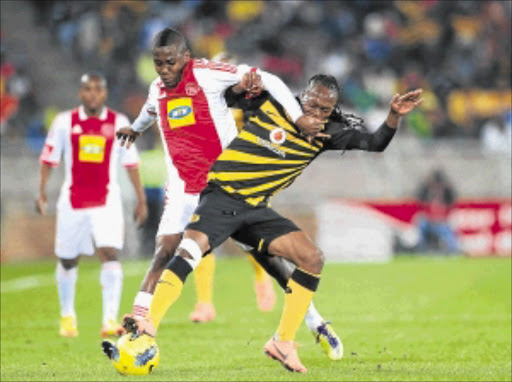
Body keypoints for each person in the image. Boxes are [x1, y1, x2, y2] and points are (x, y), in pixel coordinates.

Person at [124, 75, 423, 372]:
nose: (316, 113)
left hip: (255, 208)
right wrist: (242, 87)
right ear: (302, 95)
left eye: (324, 109)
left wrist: (393, 116)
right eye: (312, 104)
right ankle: (148, 324)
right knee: (189, 251)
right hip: (224, 193)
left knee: (311, 258)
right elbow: (228, 99)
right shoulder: (273, 102)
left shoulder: (327, 132)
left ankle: (283, 342)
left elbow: (376, 142)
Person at [116, 28, 343, 360]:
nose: (163, 69)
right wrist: (133, 131)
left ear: (184, 58)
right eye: (157, 63)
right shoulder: (156, 89)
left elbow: (268, 79)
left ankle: (314, 321)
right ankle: (140, 322)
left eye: (169, 62)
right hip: (182, 186)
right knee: (165, 250)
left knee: (270, 262)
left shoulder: (206, 74)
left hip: (225, 187)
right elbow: (149, 113)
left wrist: (297, 117)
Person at [36, 73, 148, 338]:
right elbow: (49, 158)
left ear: (105, 93)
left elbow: (131, 163)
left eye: (98, 89)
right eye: (88, 89)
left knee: (109, 253)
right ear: (80, 93)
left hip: (107, 200)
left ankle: (109, 319)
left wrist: (141, 199)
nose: (93, 94)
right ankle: (67, 315)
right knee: (68, 259)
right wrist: (41, 193)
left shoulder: (119, 122)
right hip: (72, 201)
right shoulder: (64, 122)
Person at [190, 51, 277, 321]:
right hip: (212, 176)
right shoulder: (203, 101)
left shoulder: (250, 100)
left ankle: (262, 279)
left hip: (247, 176)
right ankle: (204, 304)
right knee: (202, 237)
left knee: (250, 237)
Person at [415, 168, 459, 253]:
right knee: (421, 225)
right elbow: (419, 199)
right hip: (428, 220)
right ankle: (422, 250)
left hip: (443, 221)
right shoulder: (426, 189)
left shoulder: (446, 191)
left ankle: (453, 250)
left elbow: (452, 202)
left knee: (449, 231)